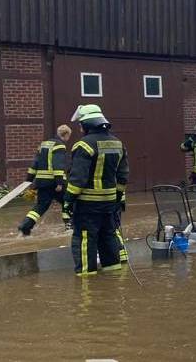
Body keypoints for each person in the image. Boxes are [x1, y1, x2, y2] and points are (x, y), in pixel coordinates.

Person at [64, 104, 129, 276]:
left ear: (87, 124)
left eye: (80, 124)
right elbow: (123, 176)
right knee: (108, 238)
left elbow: (77, 180)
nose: (79, 128)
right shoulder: (117, 143)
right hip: (109, 204)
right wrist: (117, 197)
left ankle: (87, 283)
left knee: (85, 240)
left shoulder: (83, 145)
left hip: (87, 205)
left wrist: (68, 201)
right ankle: (114, 279)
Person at [18, 125, 72, 235]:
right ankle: (69, 226)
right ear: (66, 135)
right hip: (54, 182)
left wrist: (29, 180)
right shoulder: (59, 146)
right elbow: (58, 165)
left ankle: (26, 225)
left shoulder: (43, 145)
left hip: (42, 183)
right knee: (68, 202)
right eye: (68, 136)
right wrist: (59, 183)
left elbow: (35, 164)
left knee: (41, 205)